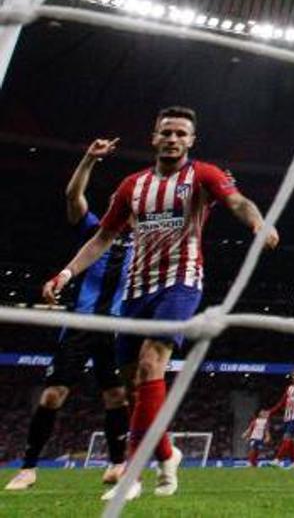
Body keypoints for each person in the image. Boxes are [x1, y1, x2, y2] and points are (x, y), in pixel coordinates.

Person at [42, 107, 278, 501]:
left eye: (180, 133)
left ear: (191, 141)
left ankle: (131, 475)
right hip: (135, 292)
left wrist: (258, 223)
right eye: (166, 132)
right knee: (137, 385)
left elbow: (238, 201)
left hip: (181, 284)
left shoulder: (203, 175)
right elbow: (101, 238)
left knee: (153, 362)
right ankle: (168, 453)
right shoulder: (132, 185)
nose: (173, 138)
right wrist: (65, 274)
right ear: (154, 138)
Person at [7, 139, 131, 493]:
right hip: (80, 324)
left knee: (116, 397)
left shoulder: (144, 241)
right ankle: (28, 468)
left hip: (117, 328)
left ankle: (117, 464)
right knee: (52, 396)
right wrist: (89, 160)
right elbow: (72, 198)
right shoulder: (94, 230)